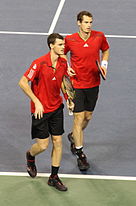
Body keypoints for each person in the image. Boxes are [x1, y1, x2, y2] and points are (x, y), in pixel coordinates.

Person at [18, 33, 73, 191]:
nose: (64, 47)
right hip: (40, 110)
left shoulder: (63, 62)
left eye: (63, 45)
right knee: (42, 145)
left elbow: (63, 80)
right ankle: (30, 155)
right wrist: (36, 101)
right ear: (51, 46)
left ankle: (53, 177)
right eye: (60, 45)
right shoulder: (39, 63)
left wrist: (68, 97)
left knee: (58, 141)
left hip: (56, 107)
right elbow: (22, 82)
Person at [64, 11, 110, 171]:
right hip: (76, 85)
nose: (89, 25)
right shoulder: (69, 39)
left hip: (93, 83)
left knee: (88, 117)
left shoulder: (99, 36)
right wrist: (67, 67)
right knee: (78, 118)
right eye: (86, 22)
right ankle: (80, 153)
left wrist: (104, 65)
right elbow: (60, 54)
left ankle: (73, 136)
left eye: (91, 22)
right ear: (78, 23)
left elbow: (105, 50)